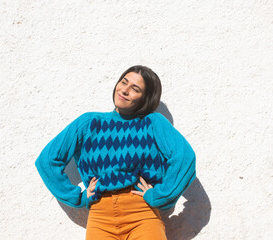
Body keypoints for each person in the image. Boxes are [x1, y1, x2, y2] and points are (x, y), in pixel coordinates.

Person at [35, 65, 196, 240]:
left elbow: (184, 158)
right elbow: (48, 160)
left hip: (142, 214)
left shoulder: (153, 123)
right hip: (99, 217)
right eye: (124, 82)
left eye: (135, 89)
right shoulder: (89, 123)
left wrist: (161, 196)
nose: (125, 90)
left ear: (145, 98)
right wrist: (77, 197)